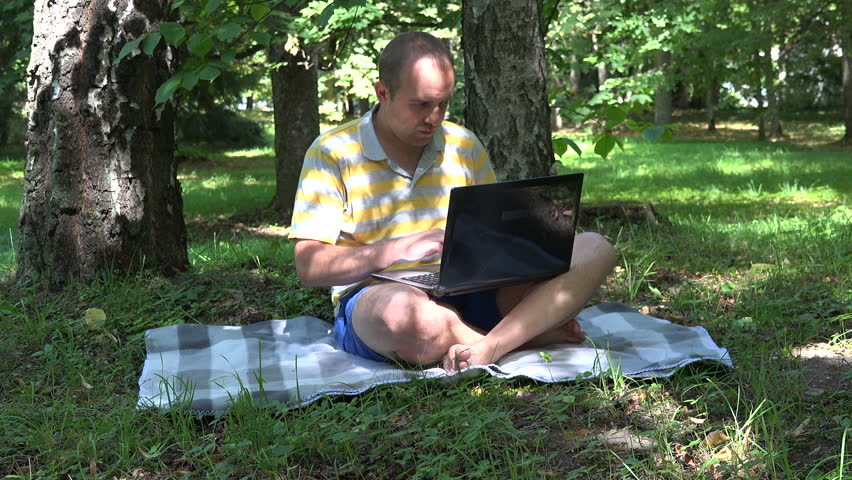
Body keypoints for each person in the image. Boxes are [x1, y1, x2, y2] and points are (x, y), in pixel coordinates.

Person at [289, 31, 616, 372]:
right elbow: (309, 267)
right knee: (407, 318)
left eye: (442, 103)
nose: (434, 117)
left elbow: (494, 236)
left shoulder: (464, 146)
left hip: (473, 287)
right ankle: (522, 336)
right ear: (382, 92)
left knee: (594, 248)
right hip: (383, 292)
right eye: (421, 105)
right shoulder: (333, 152)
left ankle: (489, 346)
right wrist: (397, 248)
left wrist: (528, 240)